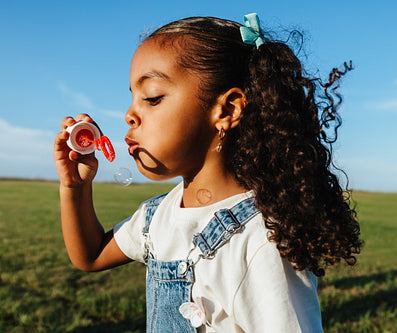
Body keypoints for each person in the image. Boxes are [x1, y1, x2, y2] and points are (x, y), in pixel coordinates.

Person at [53, 13, 362, 333]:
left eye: (152, 97)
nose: (130, 114)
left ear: (226, 110)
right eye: (132, 98)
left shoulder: (259, 241)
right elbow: (89, 256)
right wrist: (74, 185)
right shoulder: (155, 217)